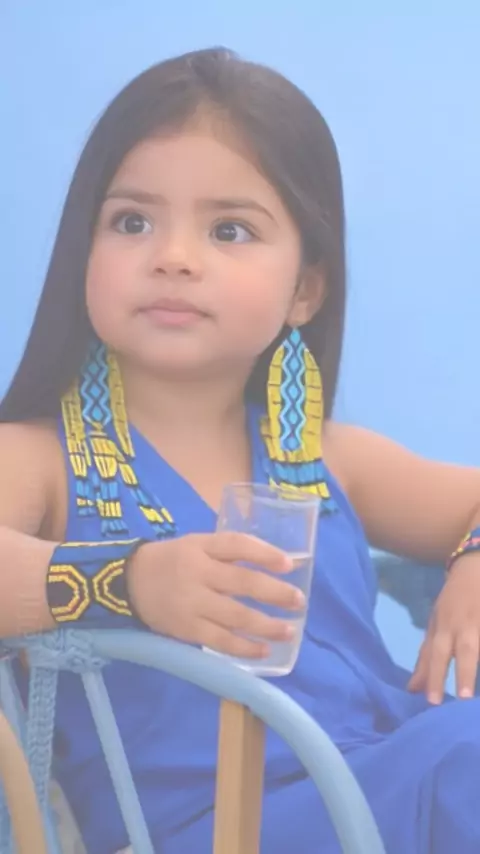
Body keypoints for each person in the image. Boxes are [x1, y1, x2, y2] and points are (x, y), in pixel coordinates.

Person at [1, 46, 480, 854]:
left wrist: (472, 563)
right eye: (132, 221)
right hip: (217, 830)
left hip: (386, 781)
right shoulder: (39, 458)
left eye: (230, 230)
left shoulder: (327, 456)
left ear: (306, 290)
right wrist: (133, 580)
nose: (174, 256)